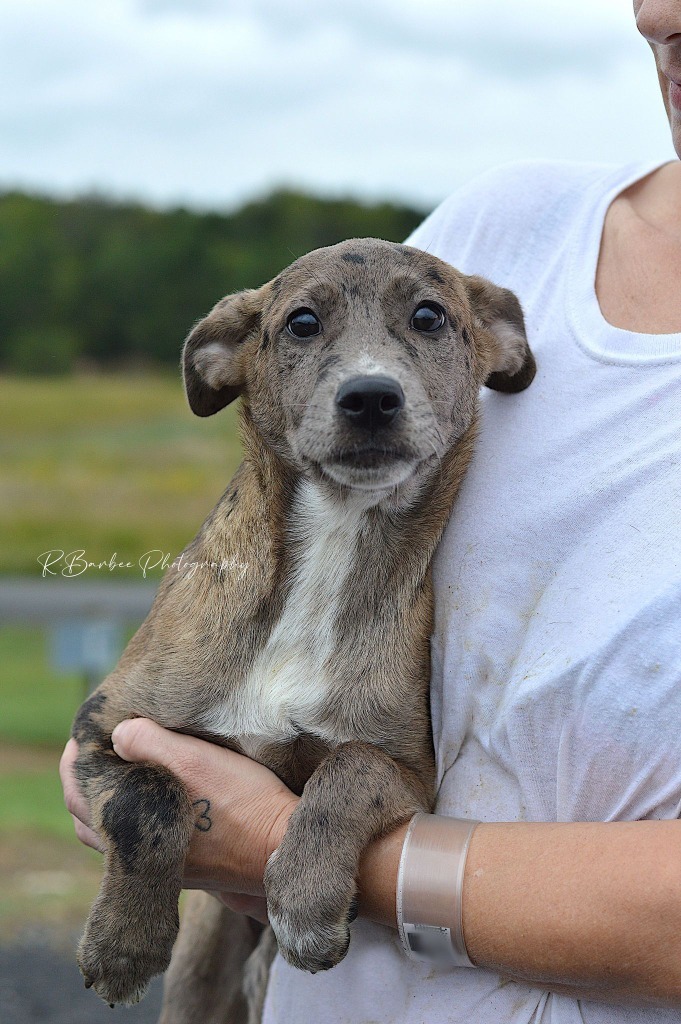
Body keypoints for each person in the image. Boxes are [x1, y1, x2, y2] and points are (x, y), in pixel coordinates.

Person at [60, 1, 681, 1019]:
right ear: (225, 363)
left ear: (491, 348)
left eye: (425, 328)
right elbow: (119, 736)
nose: (371, 375)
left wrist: (271, 848)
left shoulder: (488, 318)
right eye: (309, 331)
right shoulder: (511, 226)